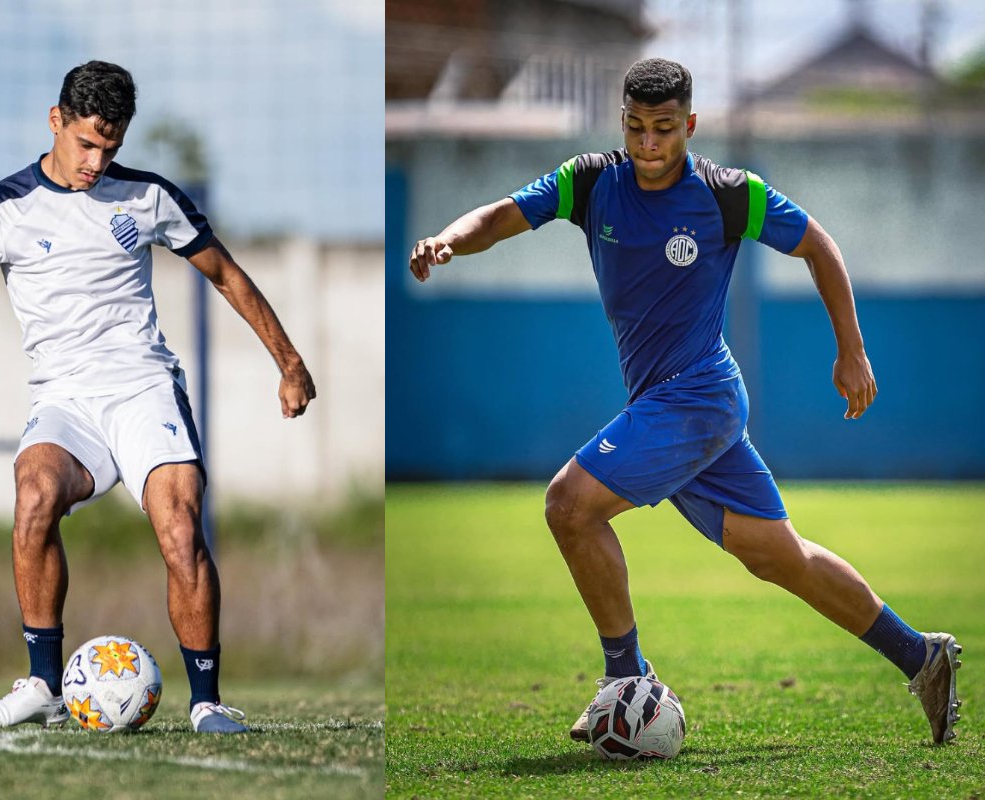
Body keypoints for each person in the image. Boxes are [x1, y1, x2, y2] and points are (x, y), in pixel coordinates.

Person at [408, 58, 960, 745]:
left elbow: (818, 245)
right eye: (636, 126)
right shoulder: (590, 182)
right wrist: (448, 241)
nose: (648, 143)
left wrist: (852, 350)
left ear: (690, 126)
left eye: (664, 128)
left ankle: (625, 678)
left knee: (569, 505)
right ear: (622, 122)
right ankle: (920, 656)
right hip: (676, 405)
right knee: (780, 557)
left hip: (697, 396)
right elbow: (502, 215)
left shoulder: (728, 194)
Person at [0, 60, 316, 734]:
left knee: (180, 528)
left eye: (111, 147)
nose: (96, 162)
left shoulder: (149, 197)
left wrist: (290, 363)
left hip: (143, 389)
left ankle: (207, 702)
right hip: (65, 401)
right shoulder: (1, 208)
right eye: (86, 144)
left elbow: (227, 275)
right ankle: (43, 688)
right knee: (33, 498)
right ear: (56, 121)